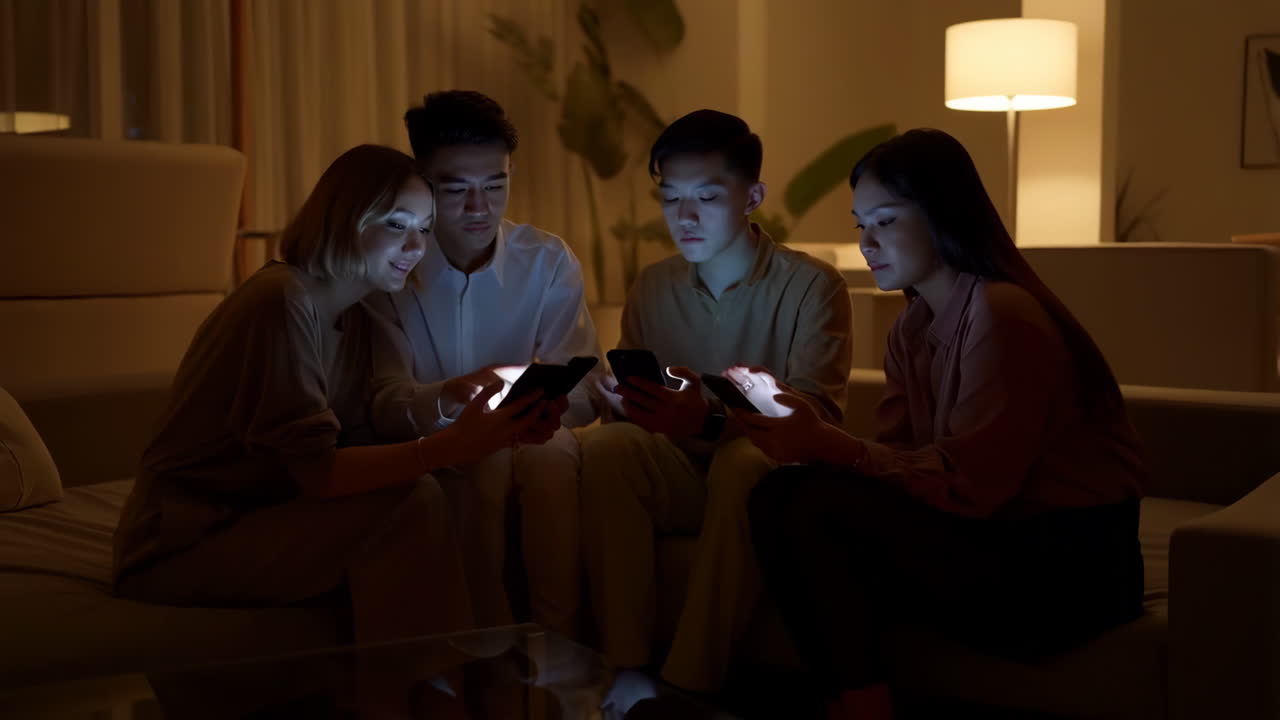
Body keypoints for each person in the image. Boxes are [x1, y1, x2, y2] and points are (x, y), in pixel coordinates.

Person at [112, 144, 548, 717]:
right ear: (345, 219)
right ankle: (436, 702)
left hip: (271, 515)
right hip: (185, 540)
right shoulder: (279, 302)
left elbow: (371, 430)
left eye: (422, 228)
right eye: (397, 226)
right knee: (414, 499)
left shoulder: (361, 313)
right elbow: (319, 471)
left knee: (437, 489)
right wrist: (448, 445)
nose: (417, 248)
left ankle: (449, 693)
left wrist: (457, 404)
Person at [736, 128, 1147, 720]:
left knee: (805, 503)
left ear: (941, 214)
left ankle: (861, 705)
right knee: (785, 494)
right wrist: (808, 441)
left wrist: (833, 448)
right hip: (991, 533)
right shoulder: (912, 325)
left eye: (884, 221)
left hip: (1064, 566)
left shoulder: (1004, 316)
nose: (868, 243)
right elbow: (902, 459)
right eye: (860, 226)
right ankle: (857, 698)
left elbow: (972, 486)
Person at [578, 109, 854, 712]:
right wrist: (621, 405)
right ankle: (625, 667)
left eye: (707, 196)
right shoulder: (653, 286)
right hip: (679, 471)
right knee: (605, 447)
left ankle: (691, 681)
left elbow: (817, 420)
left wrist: (706, 420)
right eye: (671, 198)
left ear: (752, 196)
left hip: (769, 476)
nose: (685, 216)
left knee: (743, 463)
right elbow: (638, 417)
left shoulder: (813, 286)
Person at [364, 90, 602, 640]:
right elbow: (383, 401)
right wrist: (453, 400)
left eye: (495, 186)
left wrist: (544, 405)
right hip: (438, 443)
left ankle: (559, 651)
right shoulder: (395, 268)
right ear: (422, 183)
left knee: (552, 456)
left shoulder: (545, 260)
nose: (480, 208)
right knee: (483, 462)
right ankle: (484, 653)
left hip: (536, 435)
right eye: (456, 190)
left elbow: (584, 383)